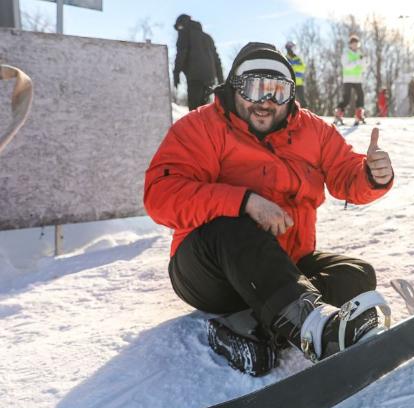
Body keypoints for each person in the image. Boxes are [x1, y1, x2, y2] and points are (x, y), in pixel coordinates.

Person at [144, 43, 395, 375]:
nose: (265, 102)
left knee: (358, 275)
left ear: (291, 95)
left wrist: (372, 175)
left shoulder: (313, 131)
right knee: (232, 226)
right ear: (235, 86)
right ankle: (315, 329)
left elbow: (346, 175)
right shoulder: (202, 126)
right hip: (209, 268)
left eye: (278, 91)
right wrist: (244, 201)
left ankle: (256, 327)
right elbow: (161, 195)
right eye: (254, 88)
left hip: (282, 265)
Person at [173, 14, 223, 111]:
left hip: (195, 78)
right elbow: (217, 61)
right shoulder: (208, 37)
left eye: (179, 27)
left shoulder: (185, 33)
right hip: (209, 79)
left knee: (195, 111)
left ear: (183, 24)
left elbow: (181, 54)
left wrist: (176, 73)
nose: (179, 30)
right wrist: (221, 81)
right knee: (206, 110)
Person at [334, 35, 366, 126]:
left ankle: (359, 114)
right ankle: (338, 114)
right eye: (354, 44)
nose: (355, 45)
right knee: (346, 98)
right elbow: (346, 65)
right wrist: (357, 62)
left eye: (357, 44)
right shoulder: (346, 54)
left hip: (358, 79)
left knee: (361, 96)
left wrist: (363, 62)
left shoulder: (360, 54)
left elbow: (363, 68)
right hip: (348, 79)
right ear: (350, 45)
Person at [284, 41, 307, 107]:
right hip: (289, 82)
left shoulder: (298, 58)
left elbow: (302, 68)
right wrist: (294, 68)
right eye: (290, 48)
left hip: (299, 83)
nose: (291, 50)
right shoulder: (285, 58)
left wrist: (292, 67)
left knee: (302, 99)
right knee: (288, 100)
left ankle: (305, 114)